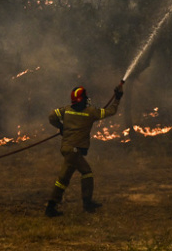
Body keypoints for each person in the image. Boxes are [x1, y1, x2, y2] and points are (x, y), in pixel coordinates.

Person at [44, 82, 124, 216]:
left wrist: (61, 126)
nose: (87, 100)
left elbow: (52, 115)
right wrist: (117, 98)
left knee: (63, 178)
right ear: (82, 100)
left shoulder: (67, 110)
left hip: (66, 149)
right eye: (85, 98)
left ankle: (51, 207)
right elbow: (111, 111)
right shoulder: (90, 112)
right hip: (74, 151)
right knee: (87, 172)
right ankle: (87, 203)